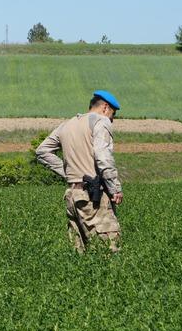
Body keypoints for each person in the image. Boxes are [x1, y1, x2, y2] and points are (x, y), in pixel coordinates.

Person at [35, 90, 124, 253]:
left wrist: (70, 173)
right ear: (105, 107)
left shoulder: (67, 125)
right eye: (113, 114)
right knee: (109, 251)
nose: (112, 119)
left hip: (72, 196)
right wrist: (115, 188)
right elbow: (103, 157)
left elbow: (42, 151)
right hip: (93, 196)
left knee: (80, 254)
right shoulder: (101, 121)